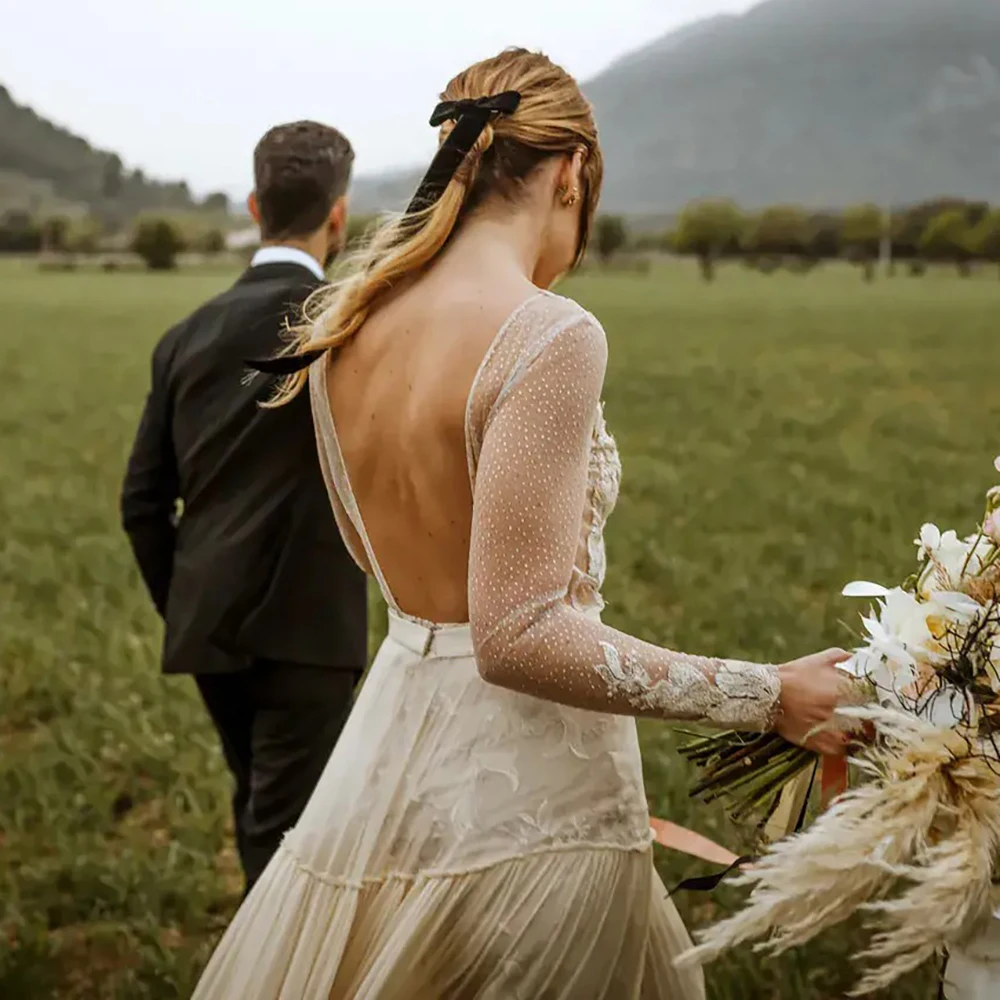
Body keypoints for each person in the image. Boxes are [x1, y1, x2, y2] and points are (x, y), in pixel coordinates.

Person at [192, 50, 850, 998]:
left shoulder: (348, 328)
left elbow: (370, 552)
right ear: (569, 173)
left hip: (389, 748)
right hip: (532, 790)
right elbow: (519, 635)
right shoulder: (548, 333)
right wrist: (770, 694)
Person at [120, 121, 368, 894]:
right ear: (339, 216)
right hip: (312, 628)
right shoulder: (353, 322)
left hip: (208, 627)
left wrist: (185, 602)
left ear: (257, 205)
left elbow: (141, 502)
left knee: (260, 801)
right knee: (290, 835)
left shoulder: (183, 336)